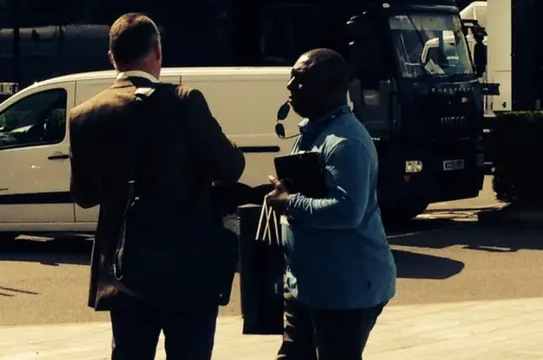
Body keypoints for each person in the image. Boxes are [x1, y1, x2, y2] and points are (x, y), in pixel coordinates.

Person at [68, 13, 245, 360]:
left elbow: (84, 196)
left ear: (111, 57)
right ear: (158, 52)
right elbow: (231, 167)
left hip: (125, 268)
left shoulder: (84, 114)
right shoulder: (184, 100)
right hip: (188, 264)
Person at [265, 48, 397, 360]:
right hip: (308, 286)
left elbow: (347, 210)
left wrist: (290, 201)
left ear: (331, 88)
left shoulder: (345, 142)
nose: (289, 88)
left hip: (345, 291)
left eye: (300, 82)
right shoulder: (314, 132)